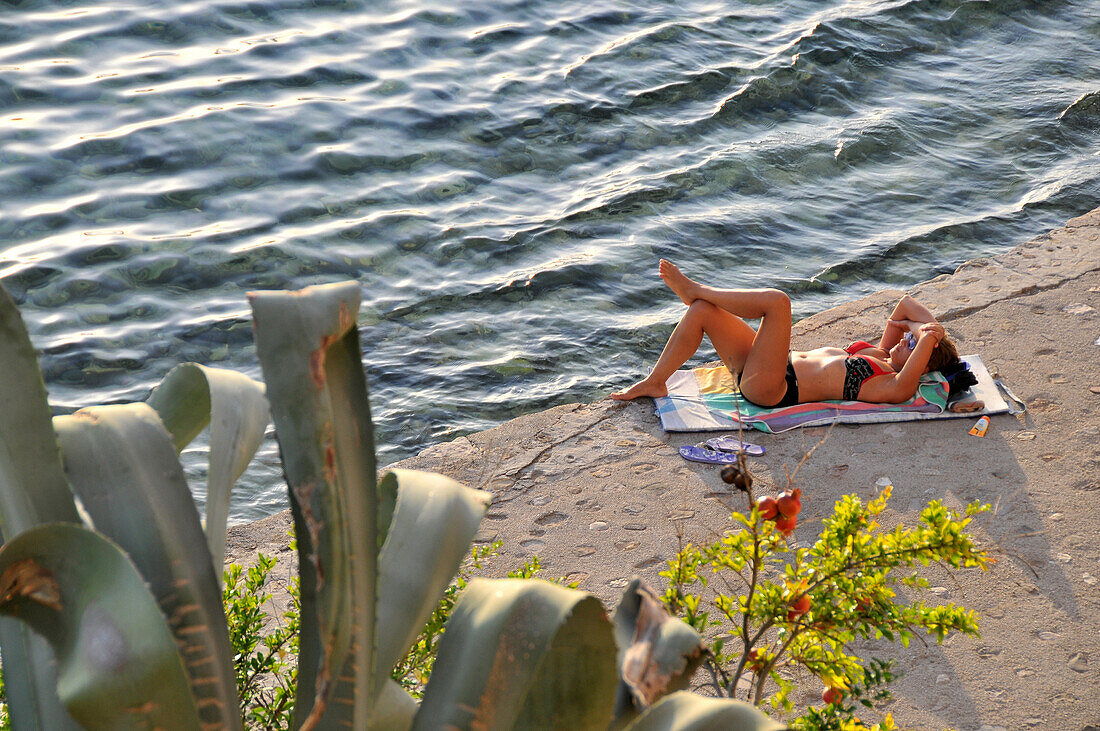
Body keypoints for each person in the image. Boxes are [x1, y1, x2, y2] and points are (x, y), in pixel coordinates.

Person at [611, 260, 963, 407]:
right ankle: (656, 381)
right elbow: (905, 305)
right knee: (702, 312)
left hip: (774, 388)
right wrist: (921, 331)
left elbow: (922, 347)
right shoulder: (881, 354)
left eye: (913, 344)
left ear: (922, 361)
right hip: (762, 366)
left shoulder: (891, 383)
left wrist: (928, 337)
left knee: (778, 303)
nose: (905, 337)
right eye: (909, 336)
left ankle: (696, 289)